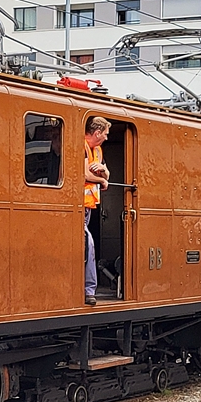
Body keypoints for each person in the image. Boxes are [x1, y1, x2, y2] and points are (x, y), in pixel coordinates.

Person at [83, 116, 111, 305]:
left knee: (88, 245)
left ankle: (89, 289)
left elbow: (107, 172)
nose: (107, 138)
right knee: (89, 245)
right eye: (105, 134)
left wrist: (103, 171)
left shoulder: (98, 150)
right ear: (97, 132)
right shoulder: (82, 145)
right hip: (79, 204)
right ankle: (89, 290)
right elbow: (84, 173)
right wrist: (102, 180)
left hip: (89, 206)